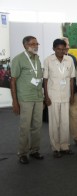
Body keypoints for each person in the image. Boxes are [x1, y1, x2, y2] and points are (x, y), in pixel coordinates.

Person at [10, 36, 44, 164]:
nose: (35, 46)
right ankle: (22, 153)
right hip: (25, 98)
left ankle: (34, 150)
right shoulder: (18, 59)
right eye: (32, 44)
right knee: (25, 127)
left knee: (37, 126)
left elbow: (39, 79)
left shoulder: (37, 59)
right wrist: (15, 101)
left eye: (36, 43)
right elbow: (12, 81)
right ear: (25, 45)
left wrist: (43, 96)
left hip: (38, 97)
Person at [44, 39, 75, 158]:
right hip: (53, 96)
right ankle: (55, 148)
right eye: (58, 49)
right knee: (54, 123)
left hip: (66, 96)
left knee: (65, 122)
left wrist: (72, 95)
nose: (61, 51)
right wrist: (46, 97)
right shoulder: (48, 60)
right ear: (54, 49)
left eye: (63, 49)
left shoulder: (69, 60)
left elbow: (72, 79)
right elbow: (45, 80)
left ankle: (65, 146)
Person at [61, 37, 77, 147]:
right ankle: (63, 142)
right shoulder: (52, 59)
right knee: (61, 118)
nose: (68, 47)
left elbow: (76, 76)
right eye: (66, 44)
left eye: (68, 44)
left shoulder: (72, 58)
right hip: (60, 93)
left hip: (74, 93)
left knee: (75, 115)